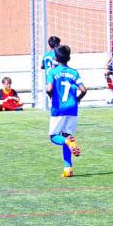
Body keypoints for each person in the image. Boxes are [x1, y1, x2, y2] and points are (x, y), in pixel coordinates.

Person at [46, 45, 87, 178]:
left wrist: (51, 96)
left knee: (54, 137)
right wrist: (78, 99)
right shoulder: (74, 72)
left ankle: (68, 142)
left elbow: (49, 88)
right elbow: (84, 90)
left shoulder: (52, 72)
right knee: (67, 135)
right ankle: (68, 168)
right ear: (68, 58)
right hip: (73, 108)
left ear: (56, 58)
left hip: (59, 108)